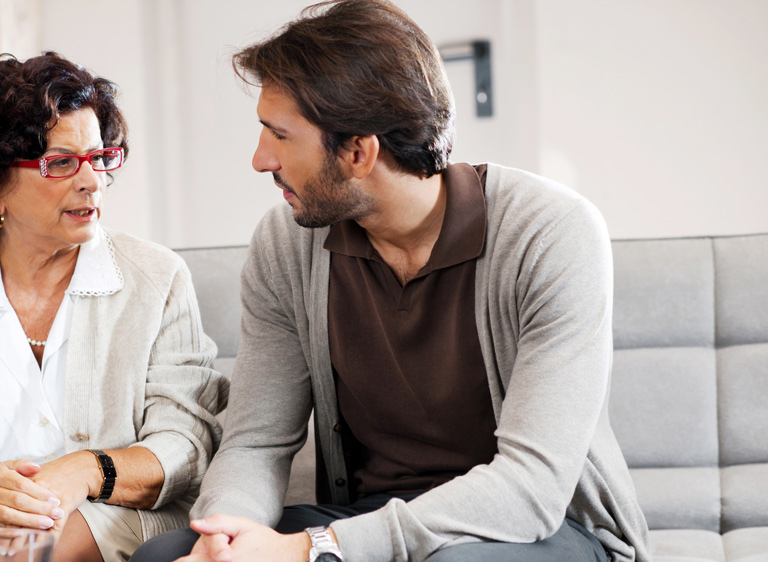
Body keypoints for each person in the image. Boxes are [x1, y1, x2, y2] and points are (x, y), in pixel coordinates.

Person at [131, 1, 651, 561]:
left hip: (533, 530)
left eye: (278, 136)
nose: (260, 160)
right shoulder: (287, 244)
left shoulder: (550, 233)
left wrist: (315, 549)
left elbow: (531, 487)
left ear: (358, 151)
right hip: (369, 515)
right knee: (165, 556)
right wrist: (224, 540)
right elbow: (256, 441)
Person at [0, 52, 229, 562]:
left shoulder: (156, 279)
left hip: (111, 526)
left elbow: (186, 443)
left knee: (26, 550)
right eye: (60, 163)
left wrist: (81, 471)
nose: (92, 181)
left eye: (99, 158)